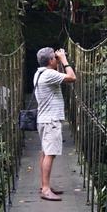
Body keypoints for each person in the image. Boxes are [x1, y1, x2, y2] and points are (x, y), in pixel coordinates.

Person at [34, 47, 76, 201]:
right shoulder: (50, 74)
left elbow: (60, 75)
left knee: (45, 152)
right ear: (50, 61)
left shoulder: (40, 73)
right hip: (51, 120)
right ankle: (45, 189)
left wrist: (56, 62)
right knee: (50, 154)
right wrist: (64, 59)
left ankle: (44, 185)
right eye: (55, 58)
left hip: (44, 119)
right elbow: (72, 77)